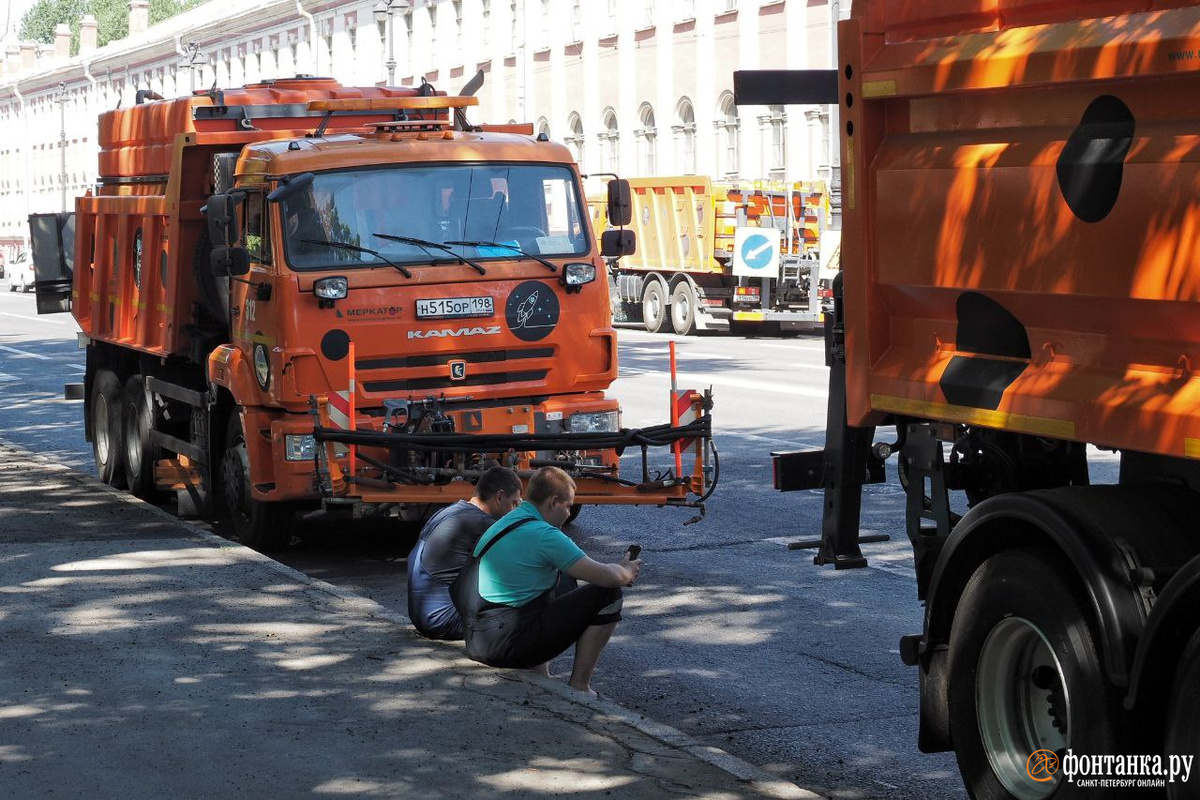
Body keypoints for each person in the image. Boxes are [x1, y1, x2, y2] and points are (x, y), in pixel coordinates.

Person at [457, 466, 642, 695]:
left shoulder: (508, 520)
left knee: (562, 577)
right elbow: (608, 577)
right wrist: (625, 570)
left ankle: (539, 673)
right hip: (505, 647)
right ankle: (581, 686)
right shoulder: (545, 535)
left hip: (478, 640)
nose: (568, 513)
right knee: (608, 594)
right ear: (554, 502)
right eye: (568, 506)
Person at [407, 466, 523, 641]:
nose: (515, 510)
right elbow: (523, 552)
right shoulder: (482, 523)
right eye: (514, 503)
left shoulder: (451, 511)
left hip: (422, 615)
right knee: (529, 609)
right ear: (499, 497)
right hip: (443, 621)